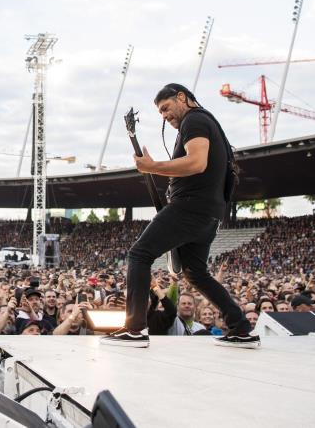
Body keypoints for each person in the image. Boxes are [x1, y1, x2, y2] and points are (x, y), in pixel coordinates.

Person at [101, 83, 258, 348]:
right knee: (196, 273)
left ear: (182, 97)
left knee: (139, 254)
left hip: (190, 208)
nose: (164, 116)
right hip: (209, 214)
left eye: (166, 108)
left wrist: (153, 166)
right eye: (160, 113)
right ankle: (241, 328)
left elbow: (197, 162)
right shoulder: (206, 122)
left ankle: (135, 328)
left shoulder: (194, 120)